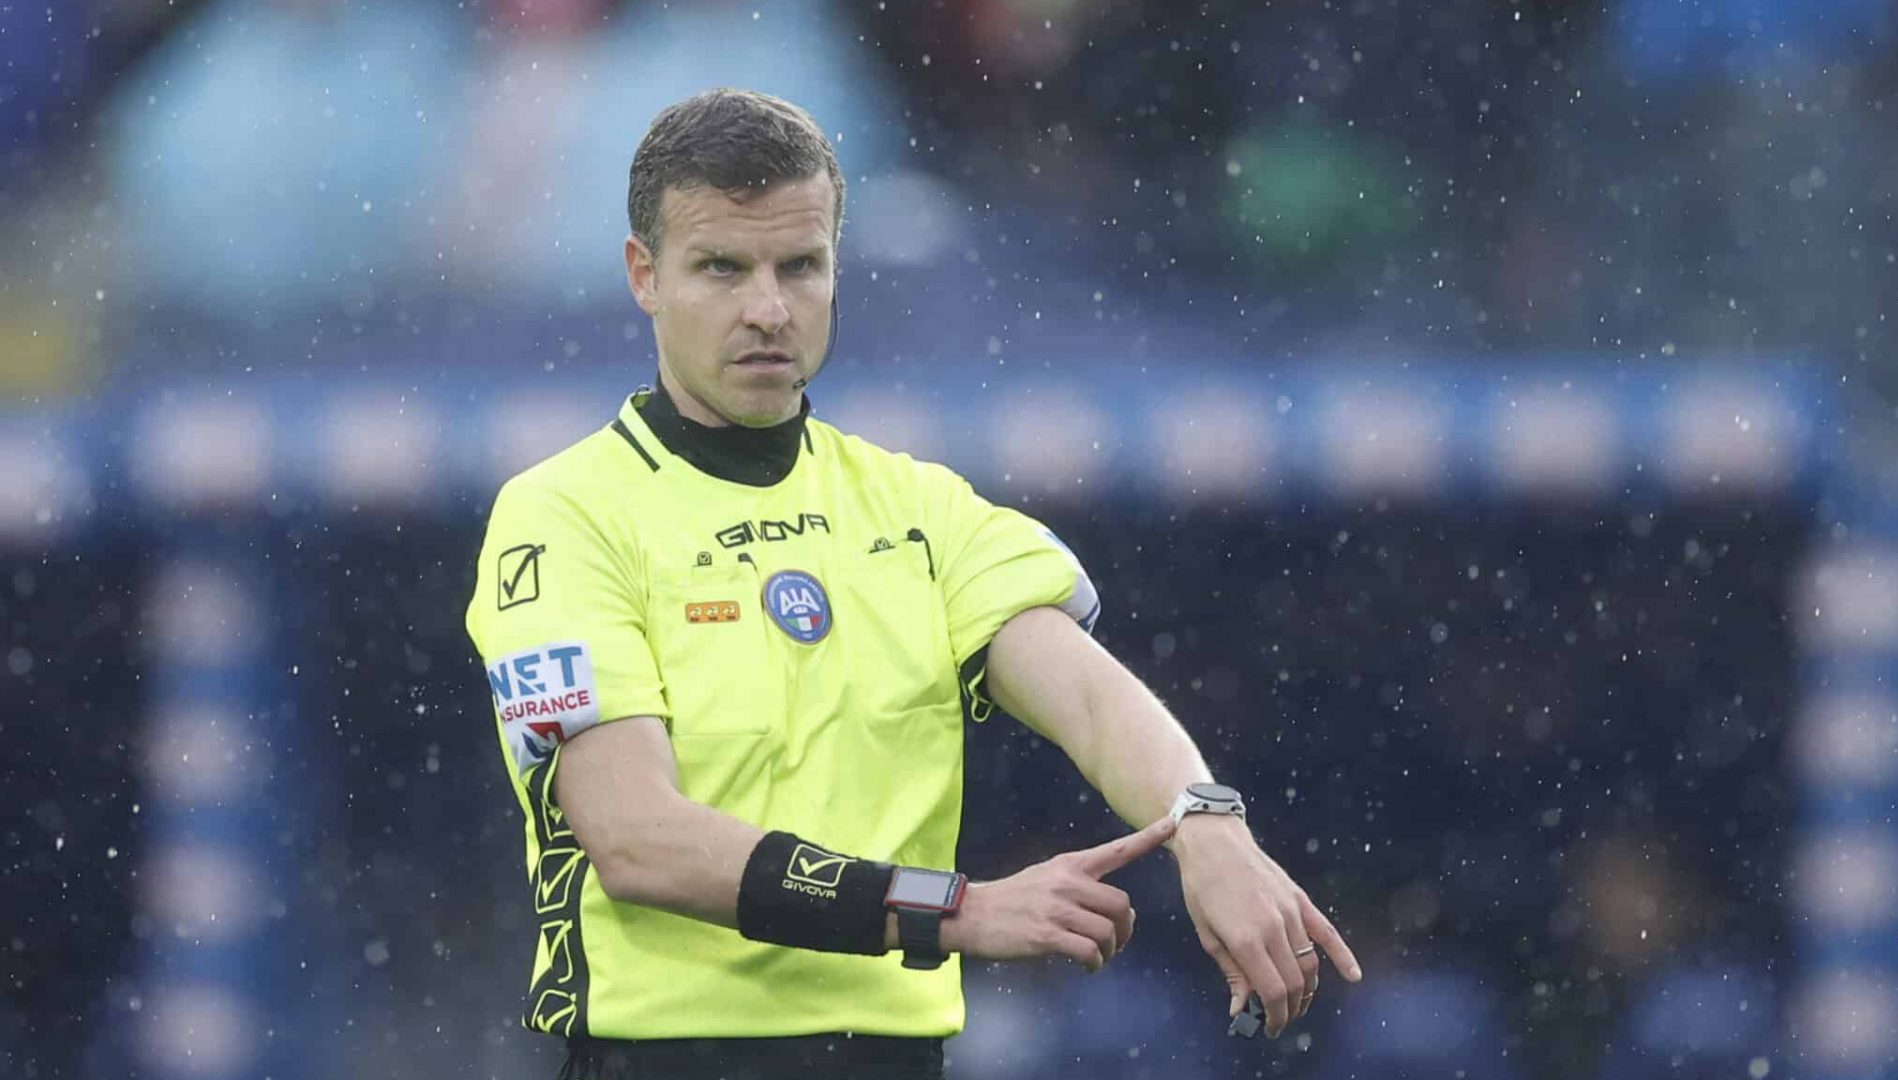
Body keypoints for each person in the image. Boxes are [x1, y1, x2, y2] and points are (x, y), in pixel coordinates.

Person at [465, 88, 1362, 1080]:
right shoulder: (564, 513)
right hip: (667, 1057)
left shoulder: (920, 509)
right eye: (721, 267)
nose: (768, 308)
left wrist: (1208, 825)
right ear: (645, 275)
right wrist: (956, 908)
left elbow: (1094, 701)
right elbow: (637, 840)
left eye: (799, 266)